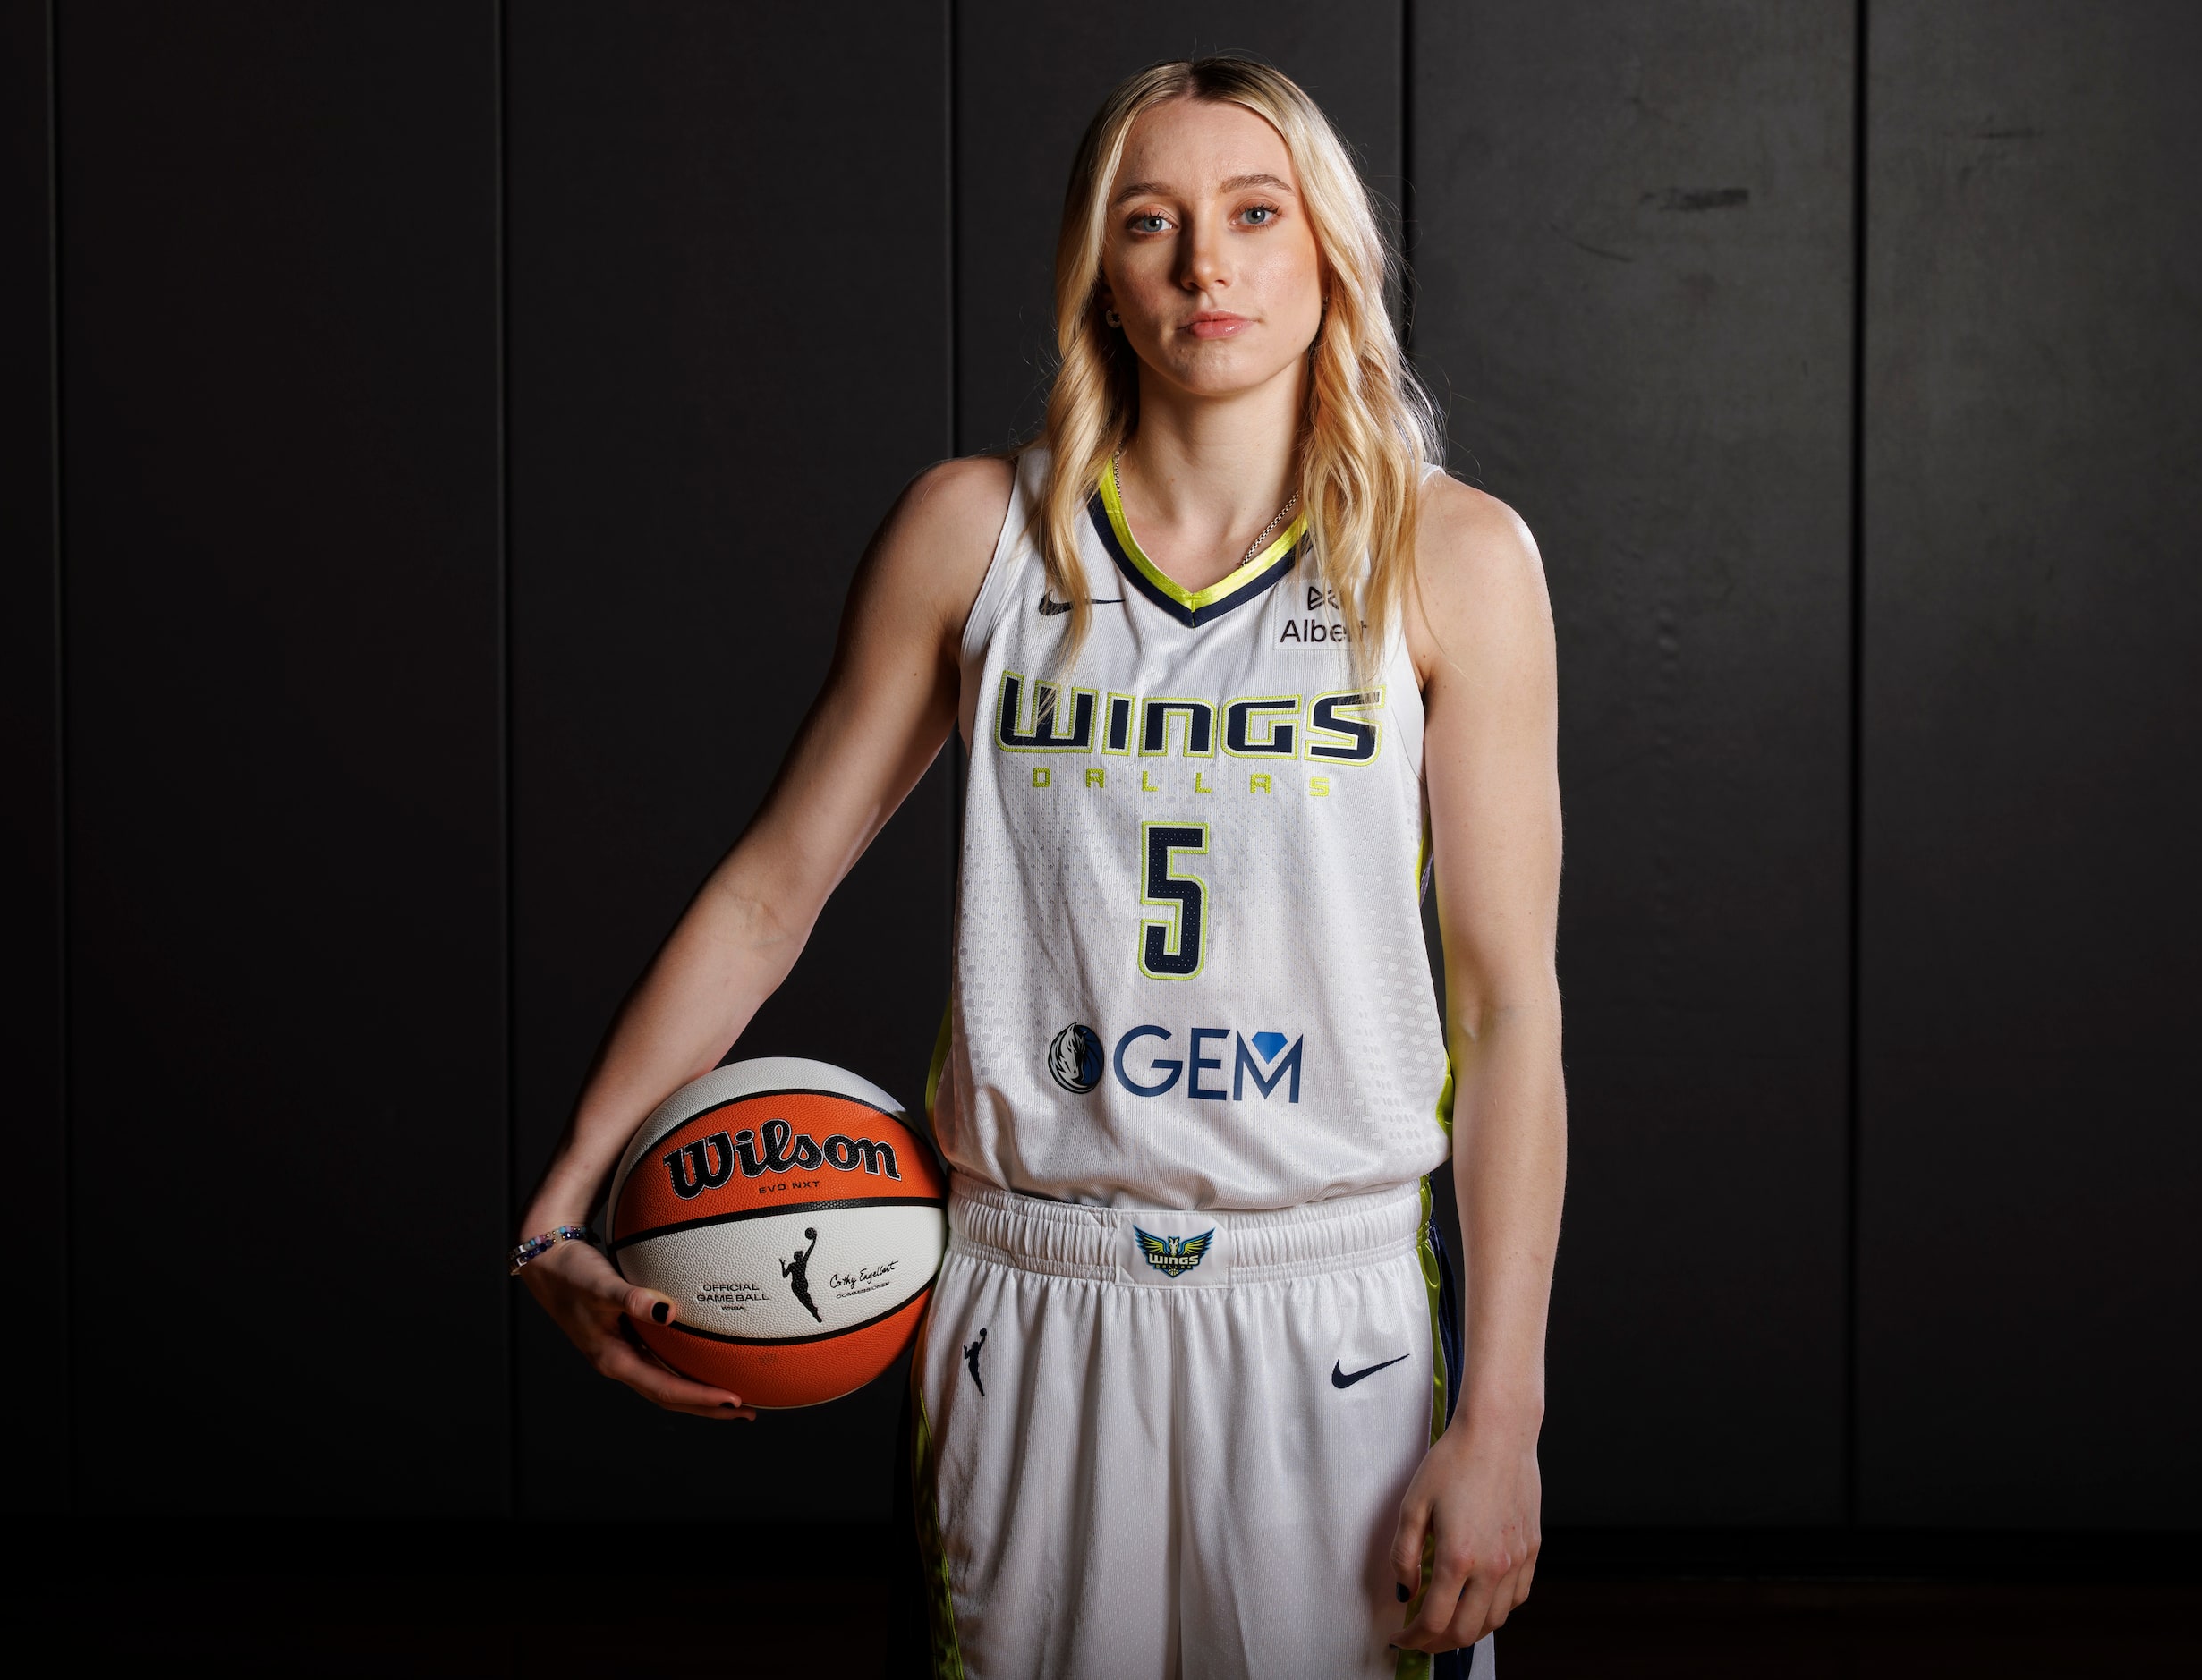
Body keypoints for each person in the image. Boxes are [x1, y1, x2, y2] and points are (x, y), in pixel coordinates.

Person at [513, 55, 1563, 1679]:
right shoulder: (976, 535)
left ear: (1328, 250)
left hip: (1332, 1304)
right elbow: (770, 891)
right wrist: (563, 1200)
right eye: (1151, 222)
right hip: (1032, 1294)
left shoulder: (1450, 556)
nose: (1204, 264)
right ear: (1098, 273)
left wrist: (1504, 1417)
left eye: (1254, 213)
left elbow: (1505, 1010)